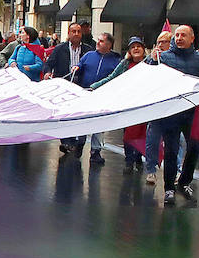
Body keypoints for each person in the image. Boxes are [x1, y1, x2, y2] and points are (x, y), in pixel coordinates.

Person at [145, 25, 199, 206]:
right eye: (177, 35)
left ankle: (184, 182)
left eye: (183, 35)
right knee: (171, 151)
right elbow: (150, 76)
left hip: (192, 112)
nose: (179, 38)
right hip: (171, 112)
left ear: (192, 38)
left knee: (195, 148)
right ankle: (169, 189)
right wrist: (151, 60)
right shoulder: (164, 58)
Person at [92, 36, 149, 169]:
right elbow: (112, 78)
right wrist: (95, 86)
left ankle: (139, 157)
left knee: (142, 132)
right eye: (133, 47)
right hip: (128, 104)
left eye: (138, 46)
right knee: (128, 133)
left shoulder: (150, 63)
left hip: (145, 103)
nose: (136, 49)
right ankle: (129, 160)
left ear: (143, 49)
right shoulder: (124, 64)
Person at [77, 31, 121, 165]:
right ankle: (80, 142)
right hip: (86, 92)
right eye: (98, 40)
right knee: (83, 119)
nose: (98, 43)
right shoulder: (89, 55)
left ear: (109, 45)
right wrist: (76, 68)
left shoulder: (116, 60)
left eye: (101, 41)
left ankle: (95, 151)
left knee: (99, 123)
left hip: (103, 95)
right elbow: (80, 66)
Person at [46, 22, 89, 155]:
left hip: (81, 87)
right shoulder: (59, 49)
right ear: (69, 33)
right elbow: (49, 64)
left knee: (80, 116)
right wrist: (47, 72)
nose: (76, 34)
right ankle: (66, 141)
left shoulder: (88, 50)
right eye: (74, 31)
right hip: (64, 87)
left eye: (79, 31)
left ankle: (79, 142)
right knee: (65, 115)